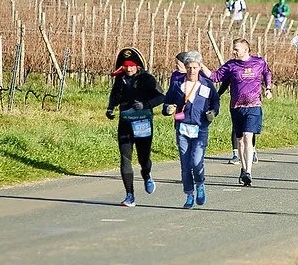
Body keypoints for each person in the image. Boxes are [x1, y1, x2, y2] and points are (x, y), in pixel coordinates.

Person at [208, 38, 272, 186]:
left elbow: (267, 73)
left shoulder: (259, 62)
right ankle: (243, 169)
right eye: (233, 49)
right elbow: (215, 77)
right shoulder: (231, 65)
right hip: (236, 106)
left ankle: (248, 171)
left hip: (254, 105)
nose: (233, 51)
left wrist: (268, 88)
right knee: (240, 140)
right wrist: (199, 67)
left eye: (236, 49)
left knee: (248, 137)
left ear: (245, 50)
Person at [106, 47, 165, 206]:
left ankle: (146, 175)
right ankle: (129, 195)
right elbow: (115, 95)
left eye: (132, 65)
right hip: (125, 122)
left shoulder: (147, 79)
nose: (129, 68)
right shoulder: (120, 79)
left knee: (143, 158)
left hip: (142, 123)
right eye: (126, 65)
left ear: (138, 65)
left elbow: (161, 96)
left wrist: (146, 104)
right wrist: (110, 108)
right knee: (125, 158)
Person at [163, 51, 219, 209]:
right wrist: (168, 109)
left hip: (200, 128)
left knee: (196, 161)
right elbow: (167, 102)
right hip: (182, 129)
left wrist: (213, 113)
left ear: (200, 67)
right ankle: (189, 195)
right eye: (189, 67)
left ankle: (200, 184)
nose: (192, 71)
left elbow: (215, 102)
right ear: (185, 68)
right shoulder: (177, 84)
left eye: (195, 67)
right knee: (185, 164)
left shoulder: (207, 84)